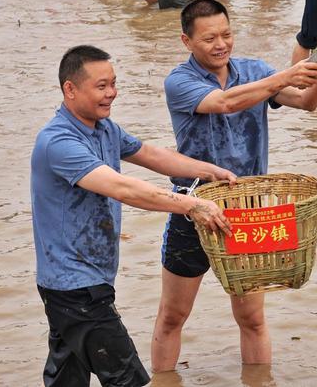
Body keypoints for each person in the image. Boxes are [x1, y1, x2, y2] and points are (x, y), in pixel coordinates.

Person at [151, 0, 317, 372]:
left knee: (253, 319)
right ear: (186, 41)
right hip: (193, 209)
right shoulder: (179, 81)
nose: (221, 44)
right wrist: (285, 75)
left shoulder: (254, 71)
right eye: (209, 38)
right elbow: (225, 103)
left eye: (227, 34)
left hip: (250, 212)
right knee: (172, 316)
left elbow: (306, 103)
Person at [31, 45, 238, 387]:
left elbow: (152, 155)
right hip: (75, 287)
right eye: (101, 86)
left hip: (81, 282)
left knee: (67, 379)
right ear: (70, 89)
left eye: (113, 83)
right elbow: (123, 189)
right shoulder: (58, 142)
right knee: (128, 380)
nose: (111, 93)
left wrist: (211, 171)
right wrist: (192, 205)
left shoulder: (104, 129)